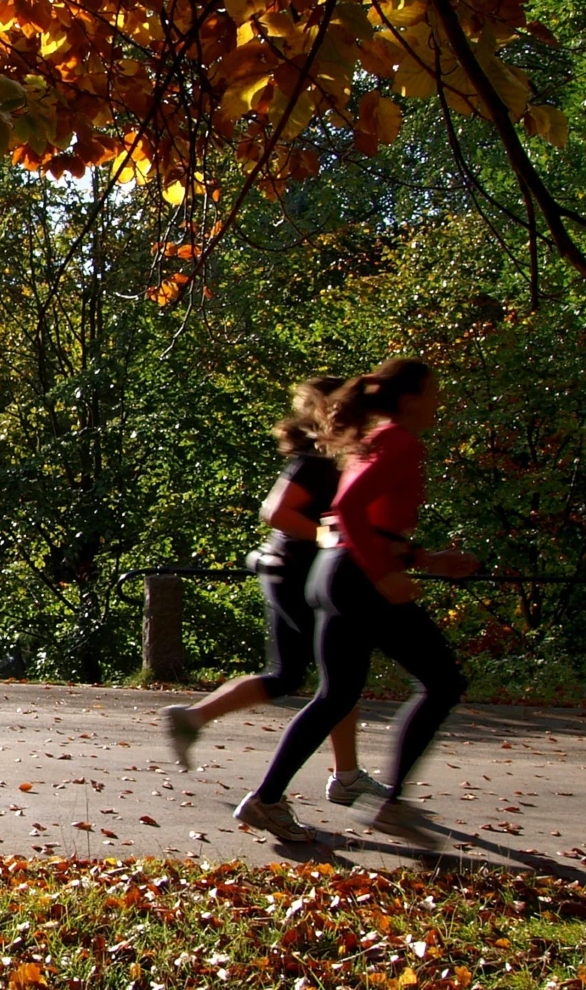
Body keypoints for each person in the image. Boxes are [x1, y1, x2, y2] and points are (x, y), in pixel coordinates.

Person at [233, 358, 480, 846]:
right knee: (442, 680)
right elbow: (349, 511)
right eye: (435, 392)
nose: (440, 401)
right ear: (410, 400)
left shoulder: (373, 442)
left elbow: (364, 522)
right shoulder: (400, 441)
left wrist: (425, 558)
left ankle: (266, 800)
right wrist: (386, 574)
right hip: (358, 578)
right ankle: (391, 806)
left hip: (334, 572)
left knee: (337, 695)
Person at [160, 377, 388, 808]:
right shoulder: (316, 459)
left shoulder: (330, 458)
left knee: (326, 678)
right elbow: (275, 511)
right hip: (297, 574)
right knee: (323, 678)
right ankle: (343, 776)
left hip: (301, 572)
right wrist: (331, 537)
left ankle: (346, 773)